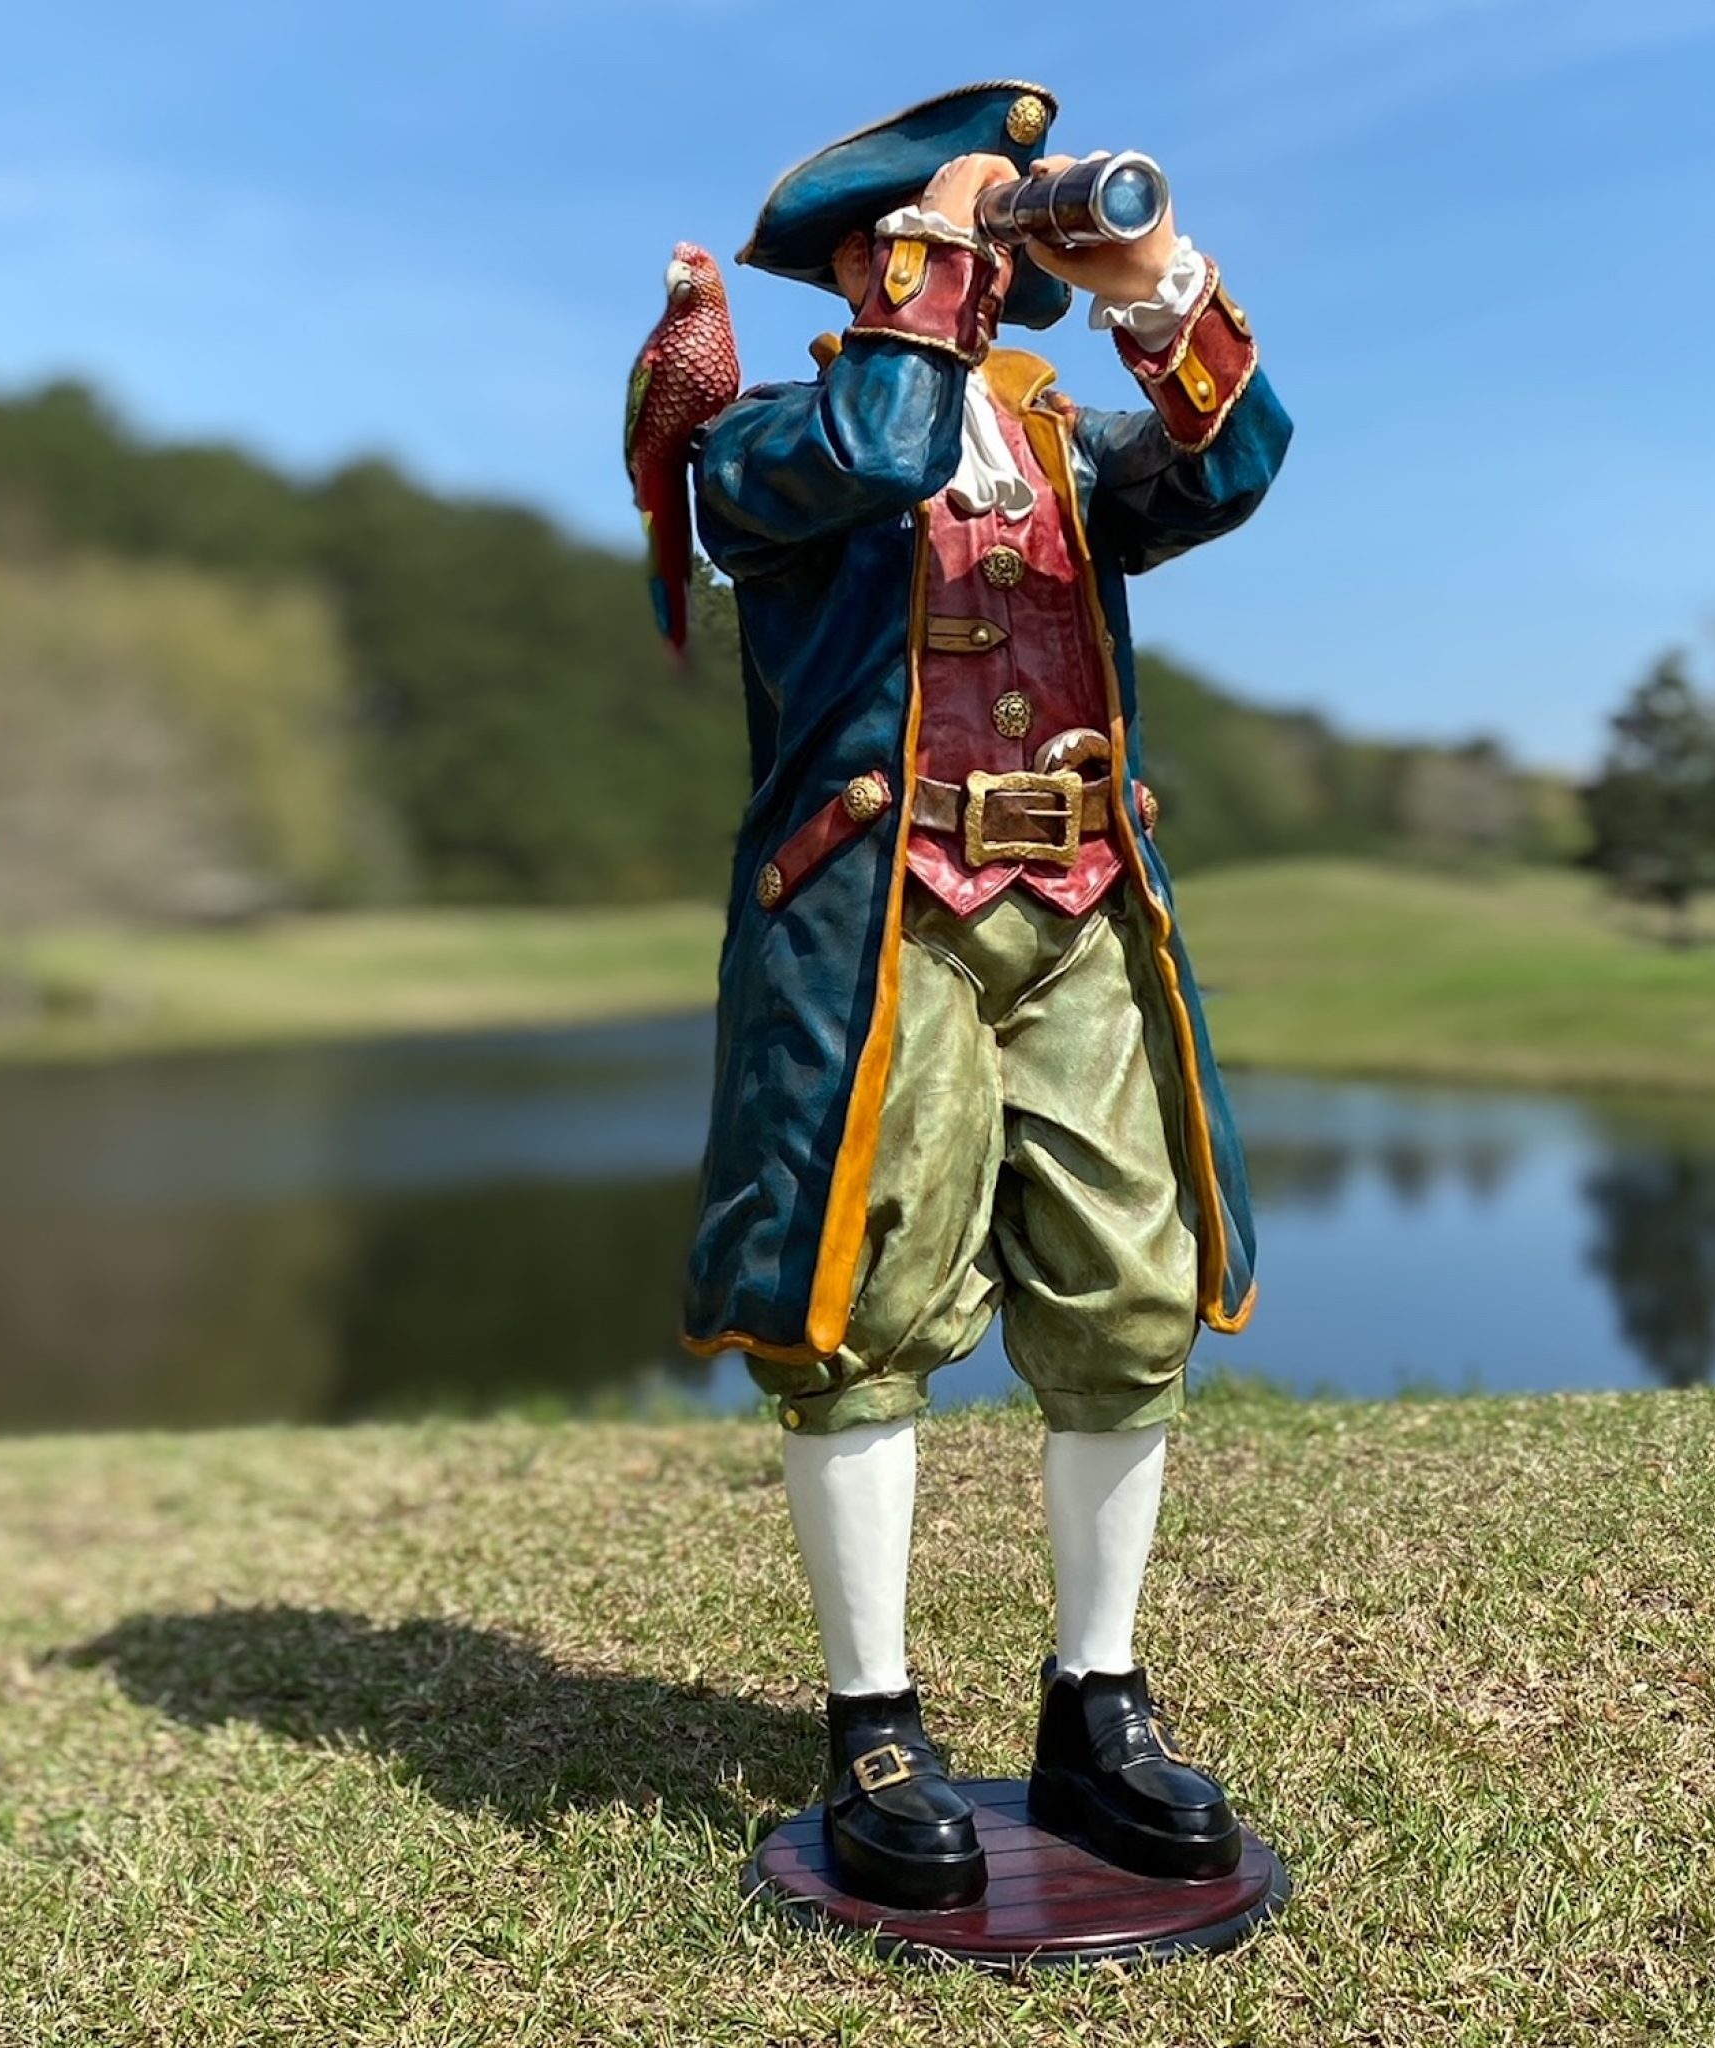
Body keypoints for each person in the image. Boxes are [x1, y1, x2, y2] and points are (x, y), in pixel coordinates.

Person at [681, 81, 1291, 1910]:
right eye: (939, 238)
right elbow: (876, 452)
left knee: (1131, 1287)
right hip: (887, 921)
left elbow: (1236, 467)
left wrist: (1152, 279)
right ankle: (871, 1720)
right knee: (864, 1292)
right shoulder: (768, 440)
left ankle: (1095, 1703)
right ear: (874, 262)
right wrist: (935, 277)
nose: (980, 261)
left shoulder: (1064, 446)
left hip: (1083, 900)